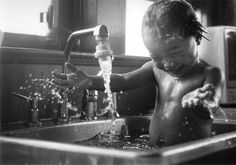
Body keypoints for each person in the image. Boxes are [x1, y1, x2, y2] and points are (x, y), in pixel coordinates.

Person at [52, 0, 224, 146]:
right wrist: (91, 80)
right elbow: (124, 81)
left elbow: (212, 98)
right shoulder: (155, 69)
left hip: (192, 158)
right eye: (156, 56)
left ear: (197, 39)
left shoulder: (210, 73)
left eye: (175, 53)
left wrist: (203, 101)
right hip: (156, 153)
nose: (167, 63)